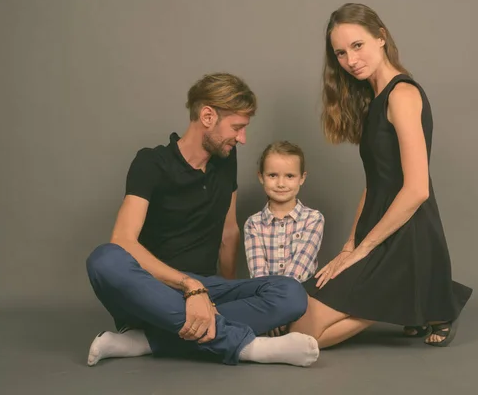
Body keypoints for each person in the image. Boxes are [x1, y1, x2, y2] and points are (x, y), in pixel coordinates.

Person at [85, 73, 319, 368]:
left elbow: (229, 232)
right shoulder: (151, 163)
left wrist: (225, 291)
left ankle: (145, 341)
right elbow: (123, 240)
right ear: (207, 116)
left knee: (291, 293)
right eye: (237, 127)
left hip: (209, 291)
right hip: (153, 291)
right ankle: (249, 346)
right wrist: (189, 287)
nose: (242, 138)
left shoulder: (225, 160)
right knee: (104, 259)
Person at [289, 3, 473, 348]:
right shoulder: (373, 101)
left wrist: (364, 250)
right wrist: (349, 245)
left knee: (302, 333)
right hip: (380, 227)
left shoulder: (403, 95)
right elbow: (375, 184)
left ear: (381, 38)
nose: (350, 60)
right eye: (340, 53)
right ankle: (419, 299)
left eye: (357, 46)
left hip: (407, 234)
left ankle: (416, 293)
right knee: (295, 313)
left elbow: (417, 189)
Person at [244, 141, 325, 284]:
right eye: (273, 175)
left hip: (302, 295)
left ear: (302, 178)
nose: (281, 184)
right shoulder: (253, 224)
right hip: (266, 296)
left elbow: (300, 267)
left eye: (289, 176)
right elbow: (258, 275)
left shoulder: (313, 219)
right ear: (261, 177)